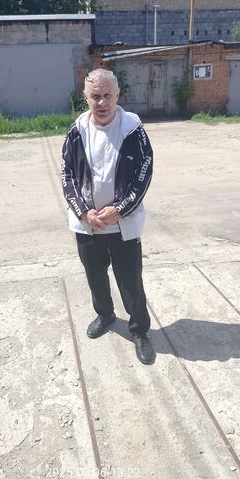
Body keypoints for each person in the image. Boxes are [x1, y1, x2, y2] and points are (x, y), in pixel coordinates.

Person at [61, 69, 155, 365]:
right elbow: (67, 174)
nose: (101, 102)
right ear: (86, 97)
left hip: (123, 227)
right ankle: (105, 315)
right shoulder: (76, 131)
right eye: (95, 96)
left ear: (117, 96)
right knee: (95, 277)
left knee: (130, 281)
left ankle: (139, 330)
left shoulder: (133, 129)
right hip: (87, 226)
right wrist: (82, 211)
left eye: (107, 96)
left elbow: (144, 173)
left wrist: (120, 209)